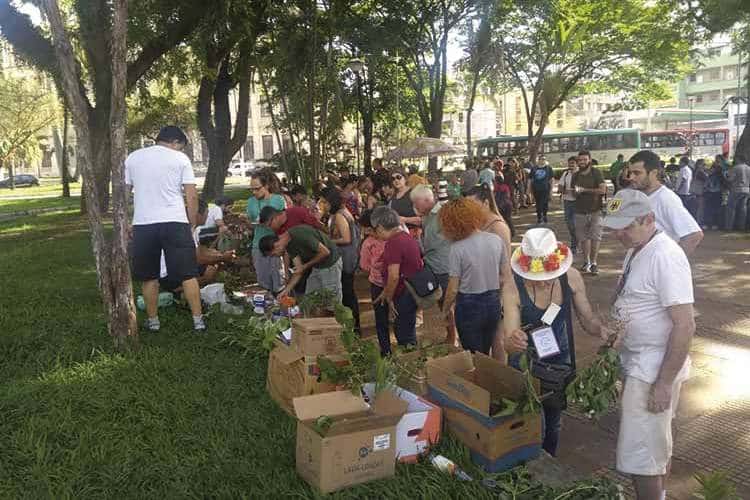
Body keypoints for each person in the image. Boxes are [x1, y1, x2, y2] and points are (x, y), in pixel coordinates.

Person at [602, 189, 695, 500]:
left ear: (649, 219)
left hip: (653, 368)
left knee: (642, 456)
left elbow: (685, 324)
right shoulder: (639, 246)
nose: (618, 234)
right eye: (616, 226)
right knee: (655, 445)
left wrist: (664, 383)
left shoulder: (666, 256)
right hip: (640, 362)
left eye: (626, 226)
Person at [503, 227, 604, 456]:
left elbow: (587, 318)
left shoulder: (572, 278)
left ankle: (549, 460)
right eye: (535, 279)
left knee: (553, 420)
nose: (542, 284)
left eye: (547, 278)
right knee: (526, 422)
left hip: (559, 362)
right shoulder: (512, 287)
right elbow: (508, 338)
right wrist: (512, 341)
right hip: (525, 367)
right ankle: (525, 465)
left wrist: (602, 331)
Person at [125, 125, 205, 332]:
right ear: (176, 143)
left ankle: (153, 321)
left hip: (143, 223)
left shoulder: (133, 157)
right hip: (175, 222)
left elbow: (124, 193)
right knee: (188, 274)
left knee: (149, 276)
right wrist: (192, 222)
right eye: (181, 147)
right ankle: (198, 321)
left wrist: (126, 220)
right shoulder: (180, 159)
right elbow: (191, 195)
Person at [439, 198, 510, 354]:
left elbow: (452, 288)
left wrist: (445, 311)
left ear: (451, 223)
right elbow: (505, 276)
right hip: (493, 302)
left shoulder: (457, 249)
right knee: (486, 349)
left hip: (468, 305)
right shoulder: (496, 240)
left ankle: (478, 378)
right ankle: (487, 376)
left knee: (473, 354)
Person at [626, 150, 703, 256]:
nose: (631, 177)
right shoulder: (638, 196)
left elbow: (694, 235)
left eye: (637, 173)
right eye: (630, 172)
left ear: (653, 173)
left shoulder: (666, 198)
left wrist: (671, 263)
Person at [411, 184, 457, 345]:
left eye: (416, 204)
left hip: (444, 266)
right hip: (435, 265)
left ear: (426, 200)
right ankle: (451, 334)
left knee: (447, 302)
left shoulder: (442, 213)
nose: (415, 208)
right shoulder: (430, 215)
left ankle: (453, 337)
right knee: (442, 301)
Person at [371, 206, 422, 352]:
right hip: (411, 291)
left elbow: (393, 276)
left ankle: (411, 366)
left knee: (404, 336)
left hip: (404, 294)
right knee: (407, 331)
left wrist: (388, 297)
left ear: (380, 227)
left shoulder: (394, 242)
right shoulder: (406, 237)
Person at [259, 224, 342, 300]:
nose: (276, 256)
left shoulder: (299, 235)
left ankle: (334, 315)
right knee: (310, 297)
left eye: (273, 254)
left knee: (332, 297)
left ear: (276, 246)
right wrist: (286, 291)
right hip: (317, 265)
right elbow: (299, 270)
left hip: (331, 263)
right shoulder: (288, 245)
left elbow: (325, 252)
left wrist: (305, 266)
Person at [324, 188, 361, 332]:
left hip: (346, 258)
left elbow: (346, 239)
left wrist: (329, 241)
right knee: (348, 291)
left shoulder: (340, 215)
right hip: (347, 257)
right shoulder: (342, 213)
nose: (324, 205)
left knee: (347, 292)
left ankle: (354, 326)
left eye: (325, 202)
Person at [247, 169, 286, 293]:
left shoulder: (278, 199)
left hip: (275, 244)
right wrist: (246, 222)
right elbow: (251, 225)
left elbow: (282, 221)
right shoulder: (251, 202)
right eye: (251, 189)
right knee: (263, 281)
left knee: (278, 279)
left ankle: (283, 306)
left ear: (266, 186)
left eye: (257, 189)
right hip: (258, 244)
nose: (254, 192)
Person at [359, 210, 390, 355]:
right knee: (395, 317)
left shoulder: (368, 243)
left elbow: (365, 267)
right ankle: (391, 349)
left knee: (381, 318)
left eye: (367, 228)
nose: (366, 231)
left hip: (379, 284)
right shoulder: (393, 235)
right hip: (393, 283)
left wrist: (374, 268)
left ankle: (386, 351)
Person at [571, 150, 606, 275]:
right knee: (584, 238)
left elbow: (602, 190)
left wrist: (584, 190)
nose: (582, 162)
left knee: (595, 237)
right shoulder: (575, 175)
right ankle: (587, 262)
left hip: (596, 210)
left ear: (589, 160)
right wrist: (575, 191)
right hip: (579, 211)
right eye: (580, 160)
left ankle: (594, 263)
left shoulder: (596, 173)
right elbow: (573, 193)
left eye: (584, 160)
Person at [465, 183, 512, 255]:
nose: (469, 210)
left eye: (473, 206)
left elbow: (506, 261)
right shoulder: (475, 222)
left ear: (486, 203)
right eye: (467, 207)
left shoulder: (499, 228)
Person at [389, 168, 422, 237]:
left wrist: (405, 219)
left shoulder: (413, 193)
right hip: (399, 235)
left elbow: (422, 219)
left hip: (414, 235)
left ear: (405, 178)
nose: (396, 180)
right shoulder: (393, 197)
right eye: (393, 179)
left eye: (398, 177)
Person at [725, 153, 750, 231]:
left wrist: (725, 176)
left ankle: (729, 227)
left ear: (739, 159)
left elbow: (731, 179)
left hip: (736, 189)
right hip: (746, 189)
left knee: (731, 208)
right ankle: (741, 226)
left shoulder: (736, 168)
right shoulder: (749, 168)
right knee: (743, 208)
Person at [558, 156, 578, 253]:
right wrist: (564, 190)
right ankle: (575, 241)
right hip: (567, 201)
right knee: (569, 223)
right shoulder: (565, 174)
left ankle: (574, 245)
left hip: (577, 202)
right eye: (570, 163)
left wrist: (575, 191)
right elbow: (560, 187)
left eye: (573, 163)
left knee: (574, 224)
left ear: (576, 164)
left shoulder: (580, 174)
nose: (571, 165)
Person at [530, 157, 554, 223]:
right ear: (538, 160)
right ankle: (539, 217)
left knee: (544, 203)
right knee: (538, 204)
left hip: (545, 189)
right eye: (541, 159)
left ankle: (545, 215)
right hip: (536, 189)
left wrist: (551, 190)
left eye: (544, 159)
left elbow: (551, 179)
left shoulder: (548, 168)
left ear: (545, 160)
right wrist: (529, 189)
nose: (542, 160)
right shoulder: (534, 168)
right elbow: (531, 179)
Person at [703, 160, 724, 230]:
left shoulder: (711, 176)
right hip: (717, 194)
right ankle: (714, 224)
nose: (712, 169)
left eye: (713, 168)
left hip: (711, 193)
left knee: (709, 209)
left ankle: (708, 224)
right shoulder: (721, 176)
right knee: (715, 209)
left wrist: (706, 188)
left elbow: (706, 185)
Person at [688, 159, 709, 227]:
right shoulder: (700, 172)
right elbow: (707, 179)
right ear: (699, 165)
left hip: (694, 192)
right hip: (699, 192)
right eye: (703, 164)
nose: (704, 166)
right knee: (700, 209)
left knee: (696, 208)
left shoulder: (694, 171)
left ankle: (696, 221)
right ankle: (699, 222)